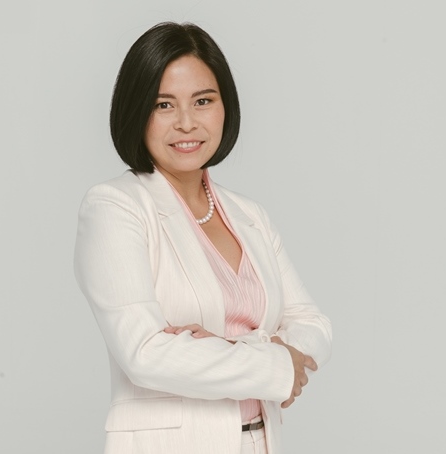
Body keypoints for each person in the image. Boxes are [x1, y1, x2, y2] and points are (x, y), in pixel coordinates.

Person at [74, 22, 332, 454]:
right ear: (136, 110)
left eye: (203, 101)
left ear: (225, 106)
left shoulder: (249, 215)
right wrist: (273, 363)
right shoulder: (115, 208)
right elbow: (145, 353)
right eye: (163, 105)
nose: (186, 123)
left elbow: (313, 325)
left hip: (261, 441)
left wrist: (233, 347)